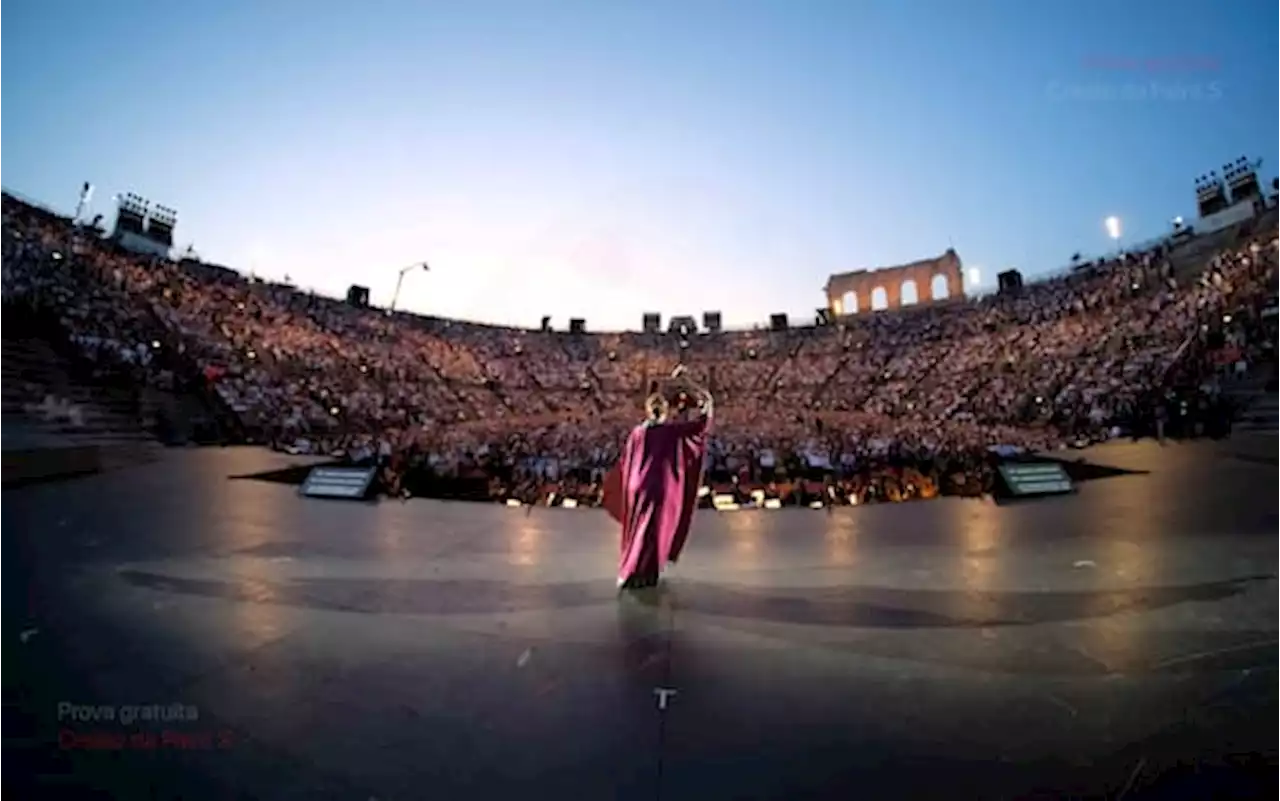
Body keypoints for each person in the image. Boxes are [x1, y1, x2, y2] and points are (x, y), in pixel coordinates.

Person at [606, 365, 713, 590]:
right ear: (664, 411)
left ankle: (629, 568)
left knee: (638, 527)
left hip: (636, 486)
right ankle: (642, 572)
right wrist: (692, 388)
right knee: (654, 530)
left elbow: (626, 461)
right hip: (659, 486)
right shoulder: (671, 432)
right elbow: (703, 422)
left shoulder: (636, 433)